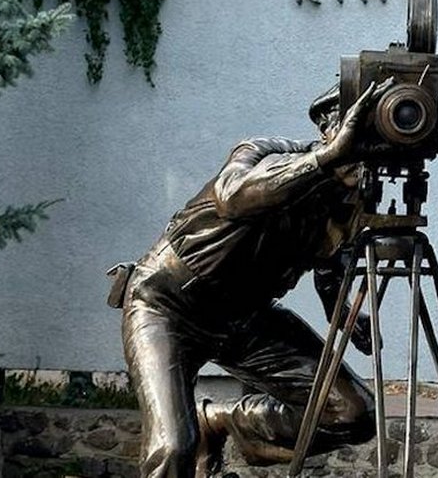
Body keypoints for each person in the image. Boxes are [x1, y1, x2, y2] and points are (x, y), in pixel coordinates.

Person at [112, 81, 388, 478]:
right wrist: (326, 160)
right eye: (355, 135)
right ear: (330, 130)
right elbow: (233, 196)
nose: (360, 153)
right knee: (173, 446)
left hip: (245, 320)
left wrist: (341, 310)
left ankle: (220, 420)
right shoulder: (265, 152)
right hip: (167, 307)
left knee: (353, 412)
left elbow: (330, 260)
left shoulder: (352, 198)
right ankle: (194, 435)